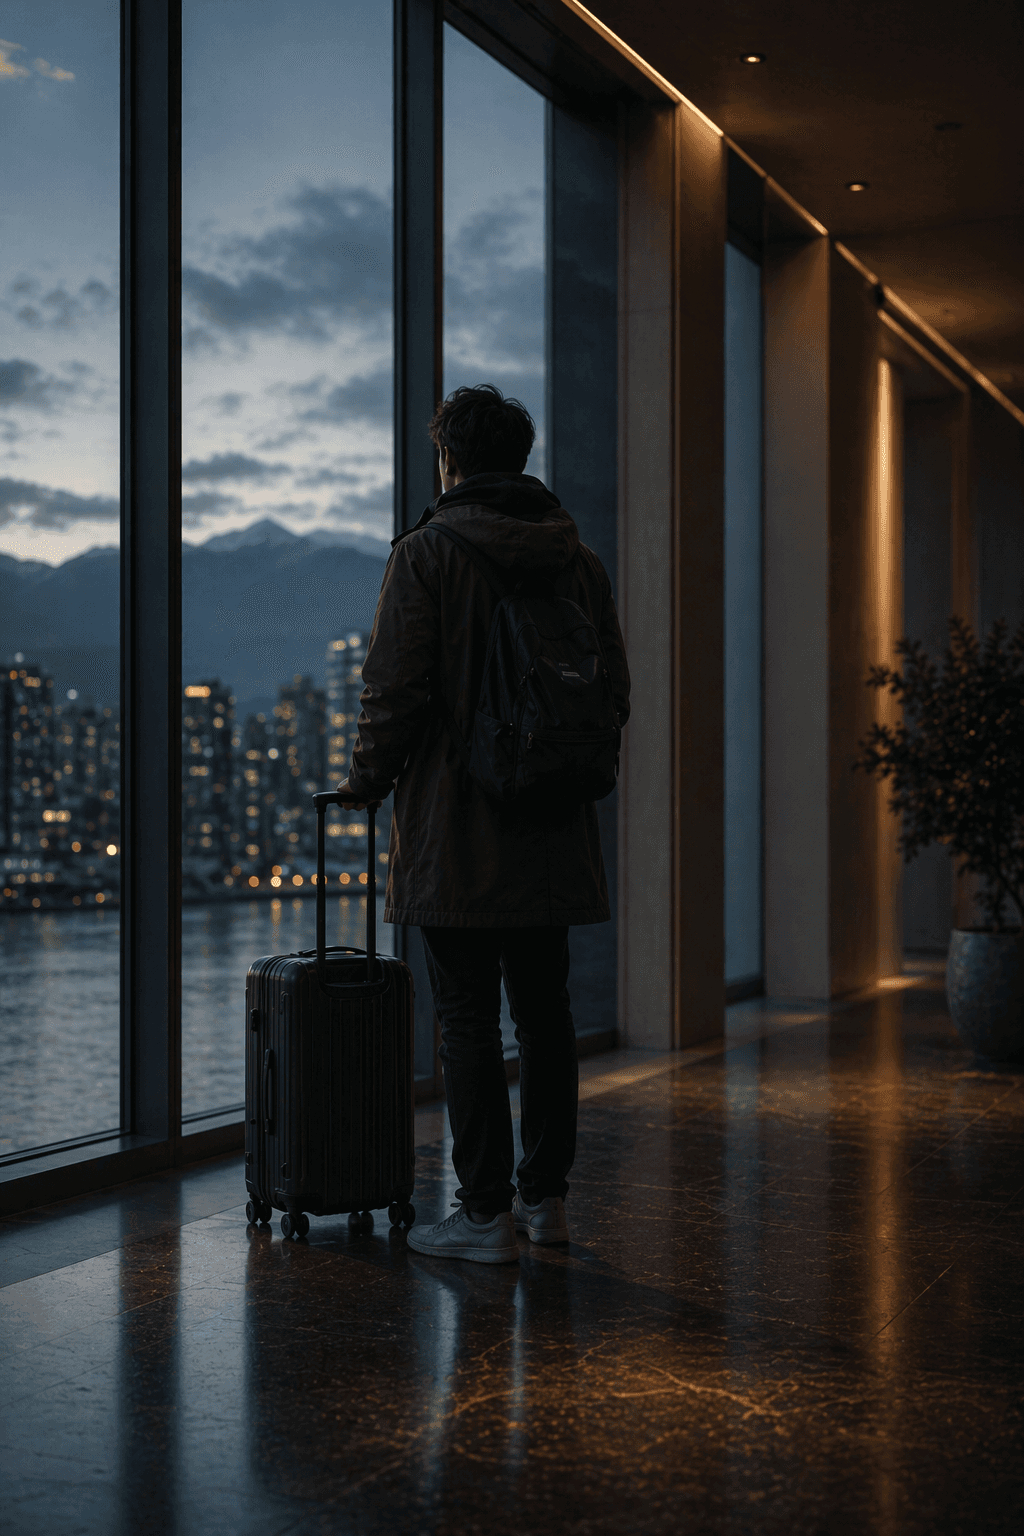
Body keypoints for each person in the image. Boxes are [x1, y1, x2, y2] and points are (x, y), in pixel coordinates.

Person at [338, 383, 630, 1264]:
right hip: (553, 825)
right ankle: (547, 1203)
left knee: (466, 1019)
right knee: (546, 1014)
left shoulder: (427, 554)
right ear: (521, 460)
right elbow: (614, 692)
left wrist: (365, 782)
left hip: (457, 827)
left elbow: (393, 690)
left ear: (449, 460)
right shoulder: (579, 561)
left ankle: (482, 1215)